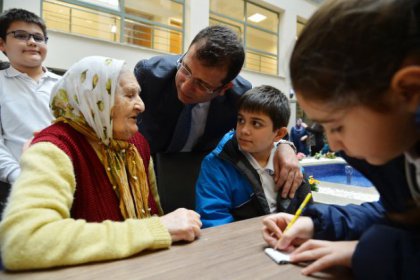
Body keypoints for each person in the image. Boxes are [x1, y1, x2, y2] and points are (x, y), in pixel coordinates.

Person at [262, 0, 420, 279]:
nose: (333, 145)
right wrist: (318, 224)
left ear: (408, 91)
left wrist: (366, 252)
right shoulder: (404, 151)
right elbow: (404, 213)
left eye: (337, 127)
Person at [0, 56, 202, 270]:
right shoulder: (54, 148)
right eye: (129, 95)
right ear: (94, 97)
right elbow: (23, 242)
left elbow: (154, 210)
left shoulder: (137, 144)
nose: (141, 106)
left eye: (139, 95)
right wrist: (155, 230)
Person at [134, 25, 302, 198]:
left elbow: (271, 124)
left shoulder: (239, 94)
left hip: (204, 178)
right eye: (186, 69)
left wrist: (285, 147)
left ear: (224, 88)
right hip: (145, 170)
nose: (186, 86)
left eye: (202, 84)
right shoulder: (149, 75)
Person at [195, 85, 312, 228]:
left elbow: (309, 217)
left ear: (279, 134)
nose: (244, 130)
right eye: (241, 120)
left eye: (256, 123)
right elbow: (214, 223)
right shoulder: (216, 165)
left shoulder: (291, 167)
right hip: (240, 246)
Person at [0, 8, 60, 214]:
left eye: (38, 37)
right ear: (2, 44)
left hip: (68, 179)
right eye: (21, 36)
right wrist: (21, 178)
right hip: (20, 187)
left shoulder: (64, 85)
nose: (32, 42)